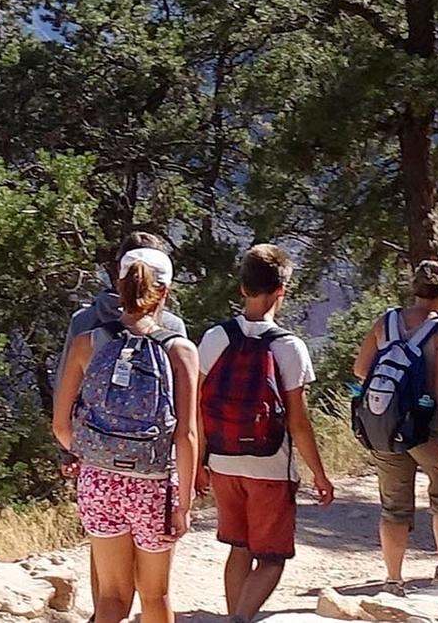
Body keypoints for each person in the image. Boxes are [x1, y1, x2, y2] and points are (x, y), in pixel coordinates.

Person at [54, 246, 200, 623]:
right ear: (164, 292)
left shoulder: (88, 342)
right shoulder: (179, 349)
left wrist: (91, 457)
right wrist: (182, 503)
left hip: (98, 483)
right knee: (156, 597)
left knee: (112, 598)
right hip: (152, 485)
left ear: (119, 286)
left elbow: (59, 425)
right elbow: (186, 435)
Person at [197, 244, 335, 622]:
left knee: (238, 548)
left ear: (242, 288)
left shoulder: (214, 338)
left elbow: (197, 407)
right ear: (282, 291)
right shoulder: (289, 347)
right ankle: (240, 619)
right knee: (272, 558)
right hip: (271, 467)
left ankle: (234, 616)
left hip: (223, 461)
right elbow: (298, 422)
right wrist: (319, 474)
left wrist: (198, 462)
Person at [349, 260, 438, 587]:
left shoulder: (384, 322)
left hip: (385, 426)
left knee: (394, 506)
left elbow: (361, 369)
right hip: (427, 428)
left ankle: (393, 579)